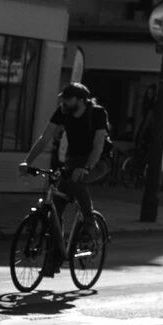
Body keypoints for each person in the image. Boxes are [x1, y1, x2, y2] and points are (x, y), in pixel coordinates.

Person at [20, 81, 110, 276]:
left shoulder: (97, 113)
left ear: (80, 100)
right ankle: (55, 258)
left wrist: (86, 168)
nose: (64, 102)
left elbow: (98, 145)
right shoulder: (63, 112)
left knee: (77, 180)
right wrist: (27, 162)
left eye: (68, 99)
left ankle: (89, 220)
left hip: (98, 161)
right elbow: (45, 138)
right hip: (72, 160)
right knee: (55, 210)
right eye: (63, 99)